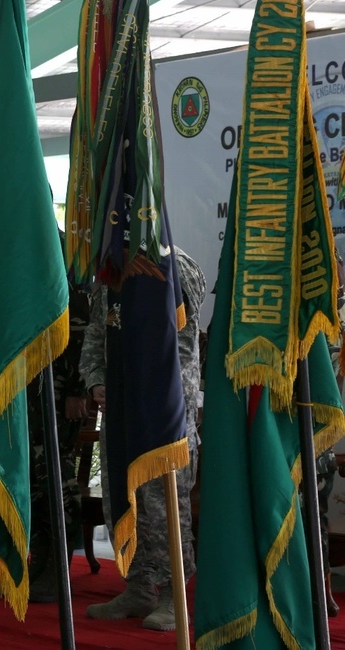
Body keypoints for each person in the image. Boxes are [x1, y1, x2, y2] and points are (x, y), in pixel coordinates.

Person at [80, 247, 205, 631]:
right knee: (122, 495)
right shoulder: (111, 269)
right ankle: (138, 586)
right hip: (121, 409)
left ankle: (173, 594)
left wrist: (147, 389)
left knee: (164, 504)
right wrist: (96, 379)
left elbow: (180, 344)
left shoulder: (176, 266)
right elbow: (99, 332)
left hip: (162, 411)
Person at [26, 266, 91, 602]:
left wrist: (78, 389)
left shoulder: (61, 254)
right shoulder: (15, 253)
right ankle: (40, 555)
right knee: (33, 478)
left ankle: (59, 566)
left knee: (56, 474)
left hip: (59, 386)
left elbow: (80, 324)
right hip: (26, 384)